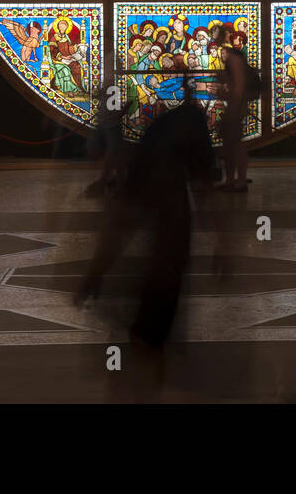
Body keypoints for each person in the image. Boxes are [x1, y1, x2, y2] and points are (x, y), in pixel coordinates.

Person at [75, 77, 216, 392]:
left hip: (151, 276)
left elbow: (123, 221)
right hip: (159, 275)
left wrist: (96, 271)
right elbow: (127, 219)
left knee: (142, 352)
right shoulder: (169, 172)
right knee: (147, 352)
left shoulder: (154, 153)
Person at [214, 26, 256, 192]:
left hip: (235, 107)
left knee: (236, 144)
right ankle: (231, 179)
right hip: (233, 104)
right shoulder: (229, 56)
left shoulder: (233, 57)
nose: (214, 38)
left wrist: (235, 104)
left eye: (216, 34)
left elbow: (239, 84)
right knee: (229, 144)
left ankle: (240, 181)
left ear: (225, 35)